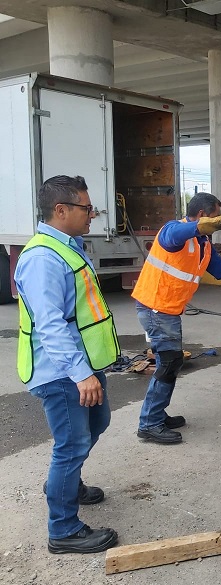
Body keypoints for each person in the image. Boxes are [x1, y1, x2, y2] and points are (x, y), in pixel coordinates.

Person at [15, 175, 119, 554]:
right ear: (61, 210)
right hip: (60, 372)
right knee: (71, 444)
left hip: (82, 366)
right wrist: (80, 375)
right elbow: (51, 325)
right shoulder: (42, 258)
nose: (92, 214)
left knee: (98, 422)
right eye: (86, 208)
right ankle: (63, 529)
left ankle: (66, 483)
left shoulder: (67, 247)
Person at [132, 192, 221, 445]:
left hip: (168, 310)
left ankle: (156, 415)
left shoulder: (204, 244)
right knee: (170, 362)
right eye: (216, 219)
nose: (219, 224)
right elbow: (171, 236)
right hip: (155, 307)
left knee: (169, 362)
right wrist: (199, 227)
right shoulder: (175, 231)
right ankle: (149, 423)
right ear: (203, 216)